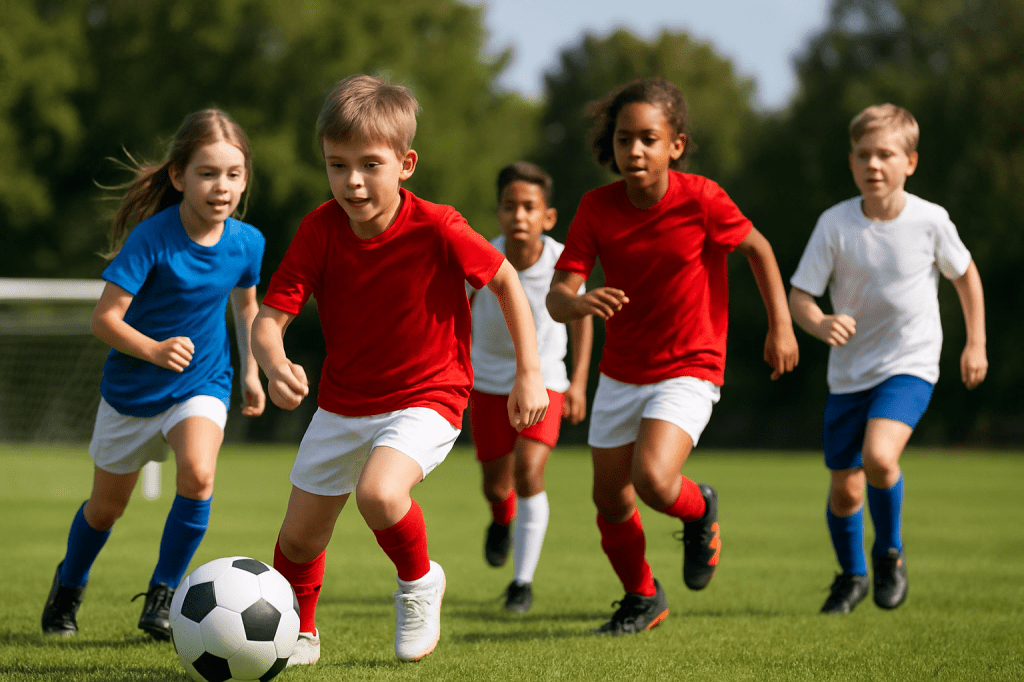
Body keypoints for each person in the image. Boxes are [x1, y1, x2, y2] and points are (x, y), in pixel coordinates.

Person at [251, 75, 549, 666]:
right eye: (338, 166)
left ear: (405, 164)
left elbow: (505, 282)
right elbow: (268, 318)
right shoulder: (319, 229)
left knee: (380, 493)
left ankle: (419, 583)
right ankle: (300, 633)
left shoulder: (438, 226)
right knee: (299, 538)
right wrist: (273, 359)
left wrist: (529, 373)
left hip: (429, 395)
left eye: (369, 165)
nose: (353, 181)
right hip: (342, 402)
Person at [547, 77, 799, 635]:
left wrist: (781, 325)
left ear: (675, 145)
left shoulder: (703, 198)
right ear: (610, 146)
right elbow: (558, 297)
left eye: (648, 139)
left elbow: (757, 247)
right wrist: (579, 300)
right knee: (610, 500)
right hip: (622, 371)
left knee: (656, 480)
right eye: (622, 139)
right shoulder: (596, 207)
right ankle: (643, 598)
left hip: (690, 364)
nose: (634, 150)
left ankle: (699, 507)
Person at [41, 109, 266, 640]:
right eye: (208, 173)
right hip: (131, 392)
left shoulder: (247, 243)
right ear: (178, 177)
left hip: (203, 382)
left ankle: (163, 597)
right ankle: (68, 587)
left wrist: (253, 373)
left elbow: (246, 308)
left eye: (234, 175)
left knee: (199, 473)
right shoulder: (152, 238)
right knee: (105, 509)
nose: (222, 187)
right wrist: (154, 349)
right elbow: (105, 319)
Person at [789, 103, 987, 615]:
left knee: (880, 457)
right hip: (849, 374)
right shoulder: (834, 224)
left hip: (910, 364)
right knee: (845, 490)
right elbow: (801, 297)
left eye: (886, 154)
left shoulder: (930, 220)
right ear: (850, 163)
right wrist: (819, 323)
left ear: (910, 162)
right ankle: (851, 577)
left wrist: (976, 343)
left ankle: (889, 553)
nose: (874, 165)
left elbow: (965, 275)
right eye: (863, 155)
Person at [469, 162, 593, 614]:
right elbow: (456, 312)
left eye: (529, 207)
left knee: (528, 472)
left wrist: (578, 382)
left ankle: (522, 583)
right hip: (485, 384)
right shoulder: (481, 255)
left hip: (547, 383)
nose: (518, 215)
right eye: (509, 206)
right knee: (495, 486)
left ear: (548, 216)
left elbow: (582, 320)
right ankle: (500, 520)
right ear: (498, 213)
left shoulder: (564, 262)